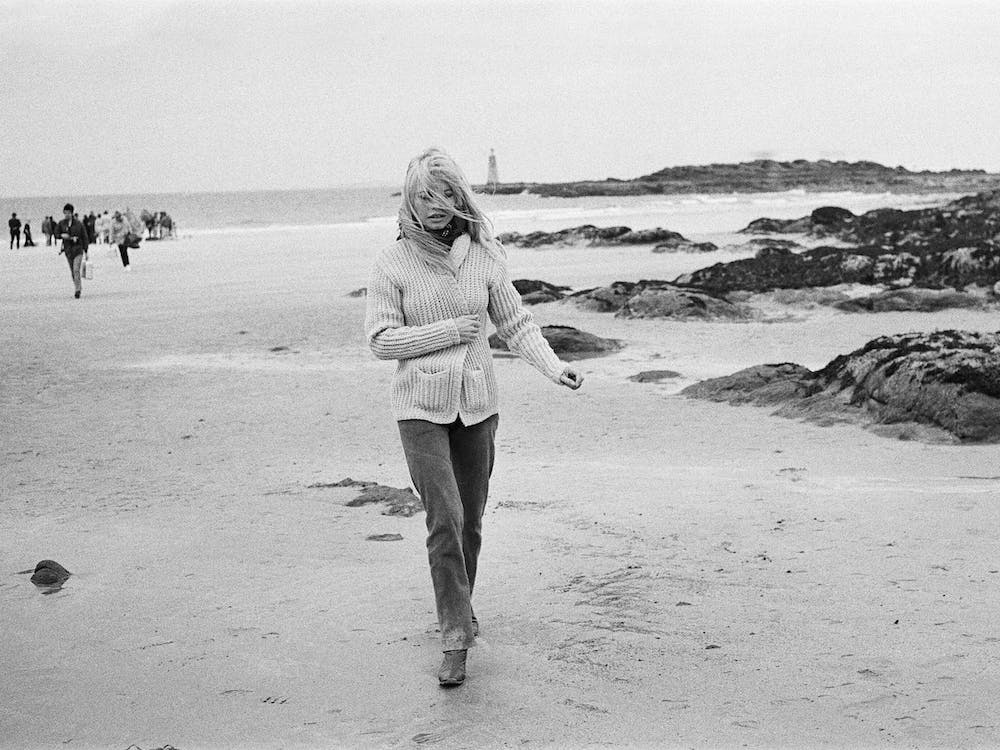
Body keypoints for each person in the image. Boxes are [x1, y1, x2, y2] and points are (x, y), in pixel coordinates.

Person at [364, 148, 584, 687]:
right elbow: (380, 340)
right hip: (418, 408)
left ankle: (460, 611)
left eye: (443, 195)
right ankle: (455, 638)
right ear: (409, 201)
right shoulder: (391, 263)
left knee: (472, 520)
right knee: (444, 519)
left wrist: (553, 367)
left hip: (478, 406)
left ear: (458, 198)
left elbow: (514, 320)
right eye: (423, 196)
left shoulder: (484, 254)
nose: (434, 206)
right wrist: (450, 333)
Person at [57, 203, 90, 298]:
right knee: (72, 271)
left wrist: (86, 250)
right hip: (68, 250)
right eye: (65, 213)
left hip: (78, 249)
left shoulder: (79, 224)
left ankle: (78, 290)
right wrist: (61, 235)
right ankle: (77, 285)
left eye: (68, 213)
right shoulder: (61, 223)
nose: (67, 214)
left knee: (76, 269)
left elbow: (85, 237)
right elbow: (56, 233)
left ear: (72, 213)